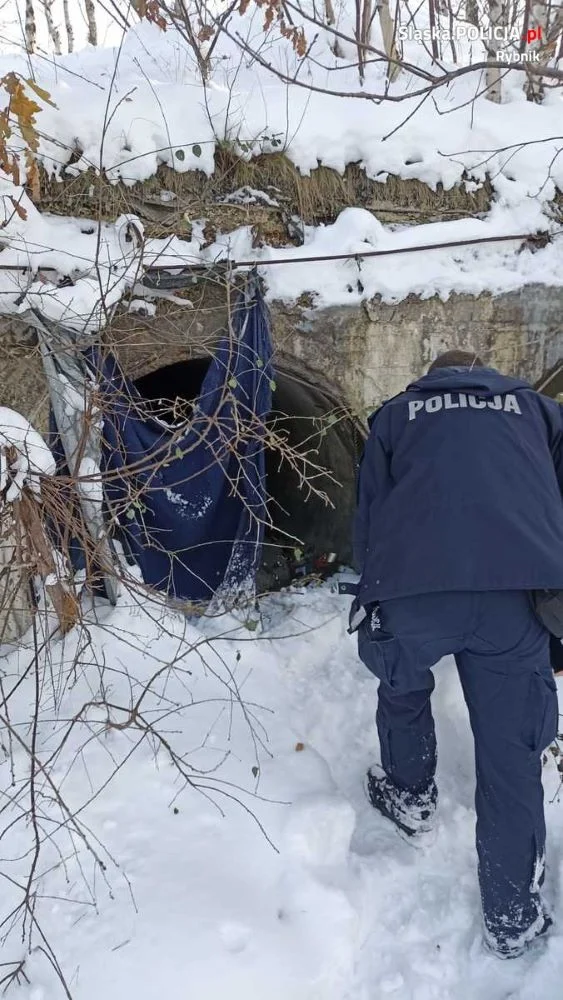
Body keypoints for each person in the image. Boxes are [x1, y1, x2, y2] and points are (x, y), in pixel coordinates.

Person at [352, 349, 563, 959]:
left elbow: (369, 513)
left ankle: (410, 795)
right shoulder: (538, 411)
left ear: (431, 379)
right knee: (511, 756)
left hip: (414, 592)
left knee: (402, 685)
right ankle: (512, 918)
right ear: (486, 373)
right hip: (513, 600)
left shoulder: (396, 415)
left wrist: (375, 591)